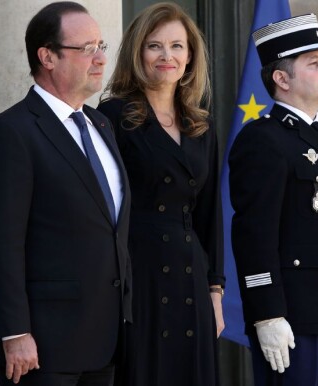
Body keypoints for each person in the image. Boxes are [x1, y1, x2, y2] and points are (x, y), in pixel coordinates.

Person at [0, 2, 131, 385]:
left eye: (102, 46)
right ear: (47, 56)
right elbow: (0, 241)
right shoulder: (12, 132)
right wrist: (14, 331)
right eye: (86, 49)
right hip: (41, 345)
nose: (100, 59)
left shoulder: (100, 124)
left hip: (105, 339)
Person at [228, 13, 318, 386]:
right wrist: (267, 315)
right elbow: (252, 234)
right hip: (295, 319)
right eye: (314, 63)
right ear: (281, 78)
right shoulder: (263, 139)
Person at [97, 3, 225, 386]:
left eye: (177, 46)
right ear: (138, 54)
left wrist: (215, 291)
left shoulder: (200, 125)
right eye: (155, 46)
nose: (167, 56)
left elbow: (209, 214)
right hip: (140, 275)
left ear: (190, 57)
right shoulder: (113, 117)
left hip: (192, 280)